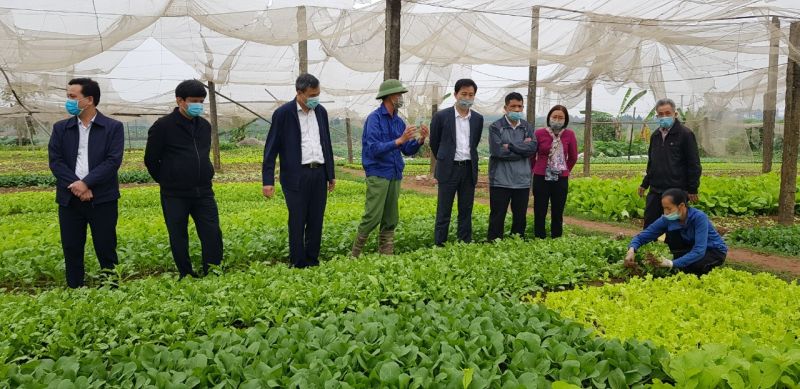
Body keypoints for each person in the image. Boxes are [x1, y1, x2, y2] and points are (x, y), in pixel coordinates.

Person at [48, 77, 124, 288]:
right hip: (69, 199)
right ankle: (75, 288)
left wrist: (87, 183)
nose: (69, 101)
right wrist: (77, 185)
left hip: (103, 198)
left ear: (89, 99)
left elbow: (112, 161)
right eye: (68, 96)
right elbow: (56, 161)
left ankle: (111, 288)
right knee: (71, 247)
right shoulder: (61, 128)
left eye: (73, 97)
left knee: (106, 245)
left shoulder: (112, 127)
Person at [144, 79, 223, 279]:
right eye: (194, 101)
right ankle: (186, 274)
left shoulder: (204, 126)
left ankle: (213, 271)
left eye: (201, 101)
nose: (198, 105)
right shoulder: (163, 126)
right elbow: (151, 159)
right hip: (175, 193)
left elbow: (203, 154)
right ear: (180, 101)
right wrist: (167, 179)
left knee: (212, 232)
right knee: (178, 234)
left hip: (203, 190)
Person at [262, 74, 335, 268]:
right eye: (312, 95)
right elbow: (271, 149)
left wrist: (330, 174)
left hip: (318, 172)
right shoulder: (283, 114)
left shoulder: (321, 112)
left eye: (317, 94)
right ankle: (298, 262)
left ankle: (312, 260)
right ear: (299, 93)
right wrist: (267, 181)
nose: (315, 99)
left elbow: (326, 143)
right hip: (295, 175)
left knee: (316, 219)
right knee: (297, 219)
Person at [351, 79, 429, 257]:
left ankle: (386, 255)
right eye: (399, 94)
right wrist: (399, 140)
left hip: (394, 173)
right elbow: (373, 149)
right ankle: (354, 255)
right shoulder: (374, 119)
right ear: (389, 96)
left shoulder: (398, 121)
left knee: (391, 218)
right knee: (372, 216)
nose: (401, 98)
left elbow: (407, 150)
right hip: (378, 173)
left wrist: (420, 140)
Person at [429, 79, 484, 246]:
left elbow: (474, 143)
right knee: (444, 210)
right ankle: (440, 244)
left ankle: (464, 243)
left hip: (468, 168)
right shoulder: (441, 116)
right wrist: (445, 159)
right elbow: (434, 143)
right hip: (448, 168)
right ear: (455, 95)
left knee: (466, 210)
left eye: (471, 95)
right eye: (464, 94)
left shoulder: (478, 119)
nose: (467, 98)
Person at [624, 188, 727, 276]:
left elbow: (699, 250)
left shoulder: (699, 217)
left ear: (681, 206)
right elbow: (643, 236)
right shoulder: (666, 219)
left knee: (695, 266)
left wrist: (671, 263)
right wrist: (632, 249)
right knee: (671, 263)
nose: (665, 212)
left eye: (669, 209)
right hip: (690, 249)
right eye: (664, 208)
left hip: (712, 250)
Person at [638, 98, 702, 229]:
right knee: (650, 225)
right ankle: (650, 243)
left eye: (667, 113)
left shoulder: (685, 134)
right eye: (660, 114)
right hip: (656, 189)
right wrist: (645, 184)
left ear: (675, 114)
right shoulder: (655, 136)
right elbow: (652, 163)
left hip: (676, 190)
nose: (664, 117)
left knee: (674, 228)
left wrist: (692, 189)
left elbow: (694, 164)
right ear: (657, 116)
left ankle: (674, 243)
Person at [487, 92, 538, 240]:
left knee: (520, 217)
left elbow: (532, 149)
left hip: (522, 180)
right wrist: (522, 150)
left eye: (519, 106)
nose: (517, 110)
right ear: (505, 108)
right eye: (513, 106)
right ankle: (494, 242)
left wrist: (509, 146)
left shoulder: (527, 127)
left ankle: (517, 242)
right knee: (497, 215)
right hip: (500, 180)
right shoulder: (496, 127)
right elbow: (498, 152)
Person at [531, 104, 578, 239]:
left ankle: (556, 237)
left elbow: (573, 157)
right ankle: (539, 237)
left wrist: (564, 169)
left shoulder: (569, 135)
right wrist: (536, 168)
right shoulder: (539, 133)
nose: (557, 120)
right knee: (540, 209)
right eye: (554, 117)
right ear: (549, 118)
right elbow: (532, 155)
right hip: (541, 177)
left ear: (565, 120)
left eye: (561, 118)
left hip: (560, 178)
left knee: (558, 209)